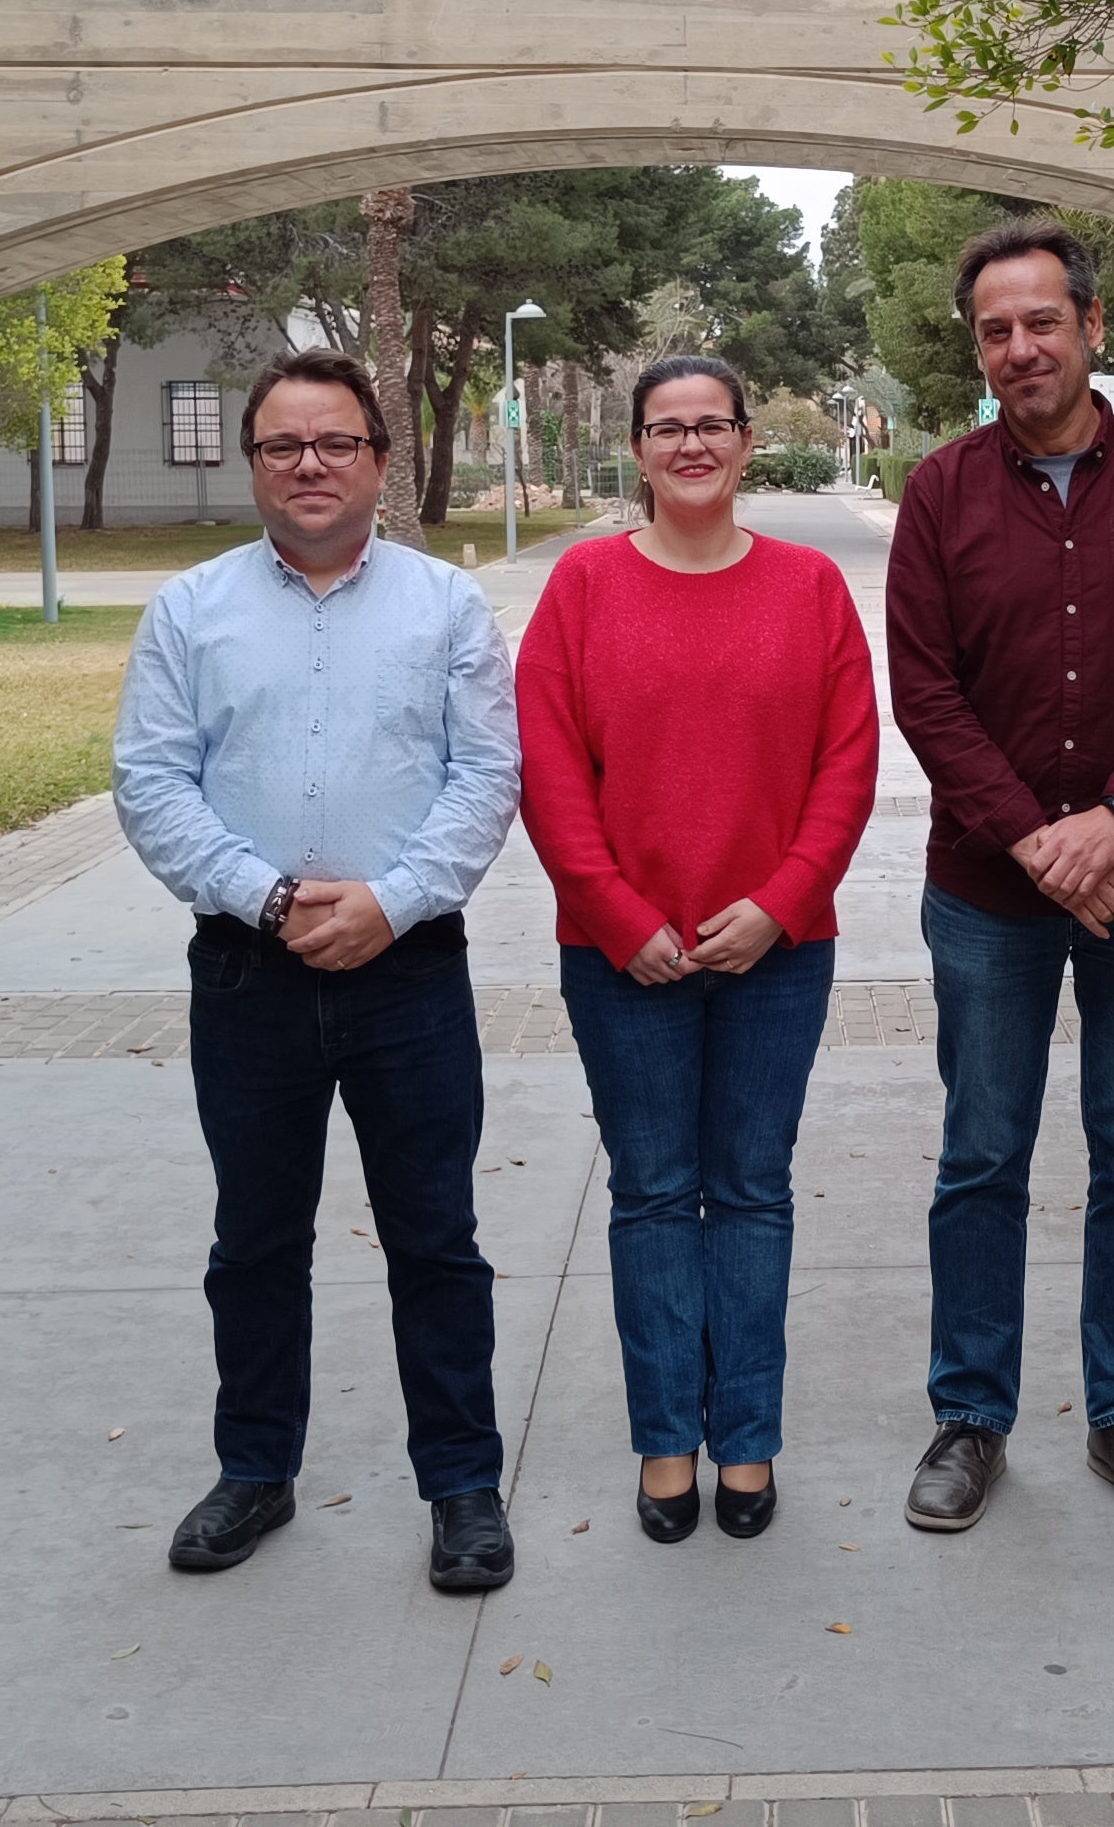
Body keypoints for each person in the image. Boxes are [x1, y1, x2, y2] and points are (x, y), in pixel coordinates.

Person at [113, 347, 525, 1591]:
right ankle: (255, 1473)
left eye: (335, 442)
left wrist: (389, 904)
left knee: (436, 1243)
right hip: (250, 975)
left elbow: (486, 776)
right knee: (254, 1242)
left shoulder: (445, 608)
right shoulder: (190, 610)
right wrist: (273, 897)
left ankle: (461, 1489)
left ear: (379, 462)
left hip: (409, 973)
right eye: (284, 445)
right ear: (254, 464)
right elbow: (150, 781)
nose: (309, 464)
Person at [886, 215, 1114, 1535]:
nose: (1021, 347)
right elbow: (925, 692)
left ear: (1093, 328)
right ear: (978, 348)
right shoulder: (938, 495)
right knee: (982, 1156)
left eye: (1043, 321)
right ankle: (971, 1418)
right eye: (997, 329)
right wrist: (1043, 843)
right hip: (989, 896)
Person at [517, 355, 879, 1544]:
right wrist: (618, 916)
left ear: (742, 442)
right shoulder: (580, 585)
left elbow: (846, 761)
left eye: (710, 425)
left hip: (776, 952)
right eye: (665, 428)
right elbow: (552, 769)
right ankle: (666, 1436)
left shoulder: (810, 586)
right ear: (636, 448)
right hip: (626, 959)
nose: (690, 446)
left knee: (753, 1192)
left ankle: (750, 1441)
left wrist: (781, 899)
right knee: (656, 1195)